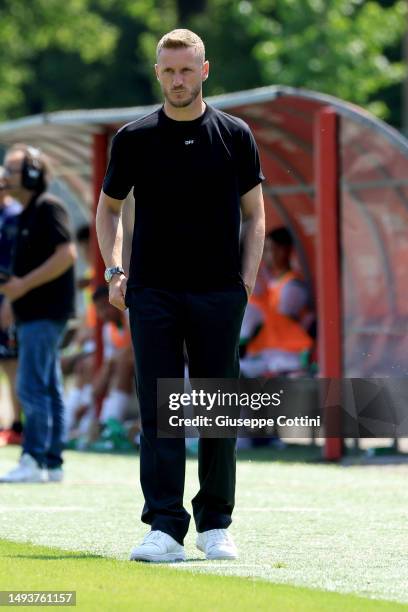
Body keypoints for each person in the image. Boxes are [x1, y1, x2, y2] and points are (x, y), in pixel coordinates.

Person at [96, 29, 265, 562]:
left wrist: (246, 283)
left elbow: (256, 214)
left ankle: (215, 524)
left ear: (205, 70)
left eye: (186, 70)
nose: (177, 80)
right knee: (158, 411)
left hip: (220, 292)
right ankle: (165, 527)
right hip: (153, 293)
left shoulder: (235, 135)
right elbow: (109, 208)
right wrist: (115, 271)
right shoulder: (134, 138)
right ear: (157, 73)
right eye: (168, 71)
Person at [0, 144, 76, 483]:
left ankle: (33, 457)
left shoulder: (48, 207)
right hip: (33, 312)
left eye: (11, 170)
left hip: (46, 311)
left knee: (31, 384)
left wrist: (24, 287)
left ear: (32, 173)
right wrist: (13, 301)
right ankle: (51, 462)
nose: (5, 176)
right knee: (48, 385)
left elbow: (67, 254)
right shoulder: (27, 212)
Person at [240, 227, 314, 377]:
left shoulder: (292, 286)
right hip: (269, 350)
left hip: (288, 353)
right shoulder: (271, 283)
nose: (265, 255)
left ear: (283, 251)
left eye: (269, 249)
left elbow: (283, 324)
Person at [0, 167, 22, 445]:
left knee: (13, 364)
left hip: (10, 299)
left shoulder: (16, 214)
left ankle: (19, 425)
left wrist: (9, 300)